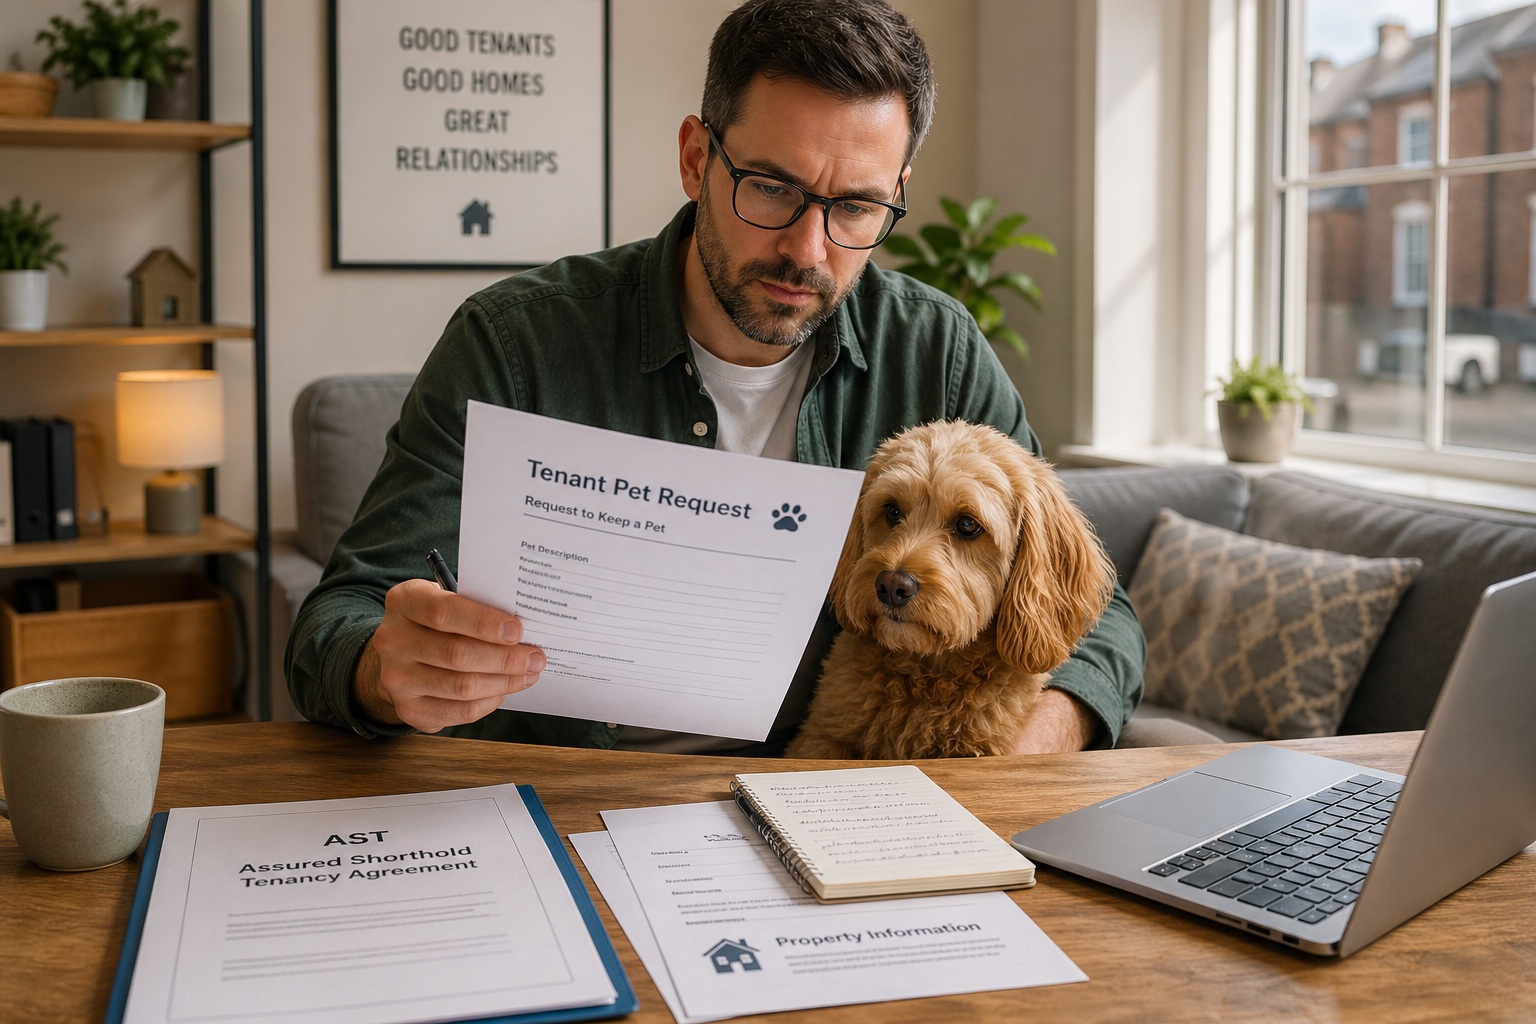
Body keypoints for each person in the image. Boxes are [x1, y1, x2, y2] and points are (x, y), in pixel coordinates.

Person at [285, 0, 1145, 755]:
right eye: (772, 188)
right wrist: (380, 670)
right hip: (553, 793)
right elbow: (339, 618)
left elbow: (1097, 619)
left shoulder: (937, 352)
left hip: (805, 801)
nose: (809, 252)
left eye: (856, 207)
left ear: (896, 194)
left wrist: (1023, 750)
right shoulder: (517, 343)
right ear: (698, 158)